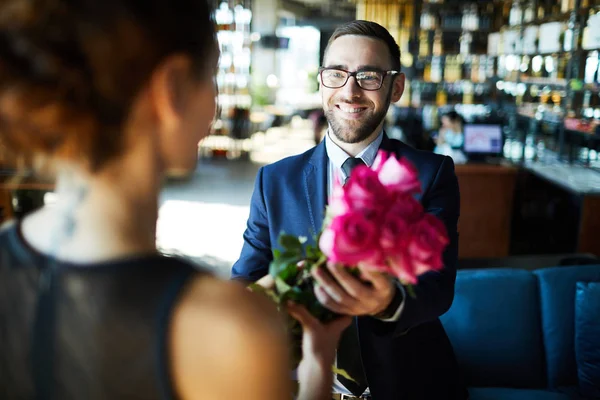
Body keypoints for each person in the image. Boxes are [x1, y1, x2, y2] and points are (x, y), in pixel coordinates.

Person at [0, 1, 350, 399]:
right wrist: (318, 360)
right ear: (174, 87)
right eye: (212, 74)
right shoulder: (228, 329)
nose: (216, 104)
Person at [232, 20, 468, 400]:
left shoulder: (431, 173)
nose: (350, 90)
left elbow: (438, 289)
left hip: (409, 384)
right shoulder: (274, 180)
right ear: (322, 81)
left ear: (396, 87)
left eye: (369, 76)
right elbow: (245, 282)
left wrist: (387, 301)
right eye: (337, 74)